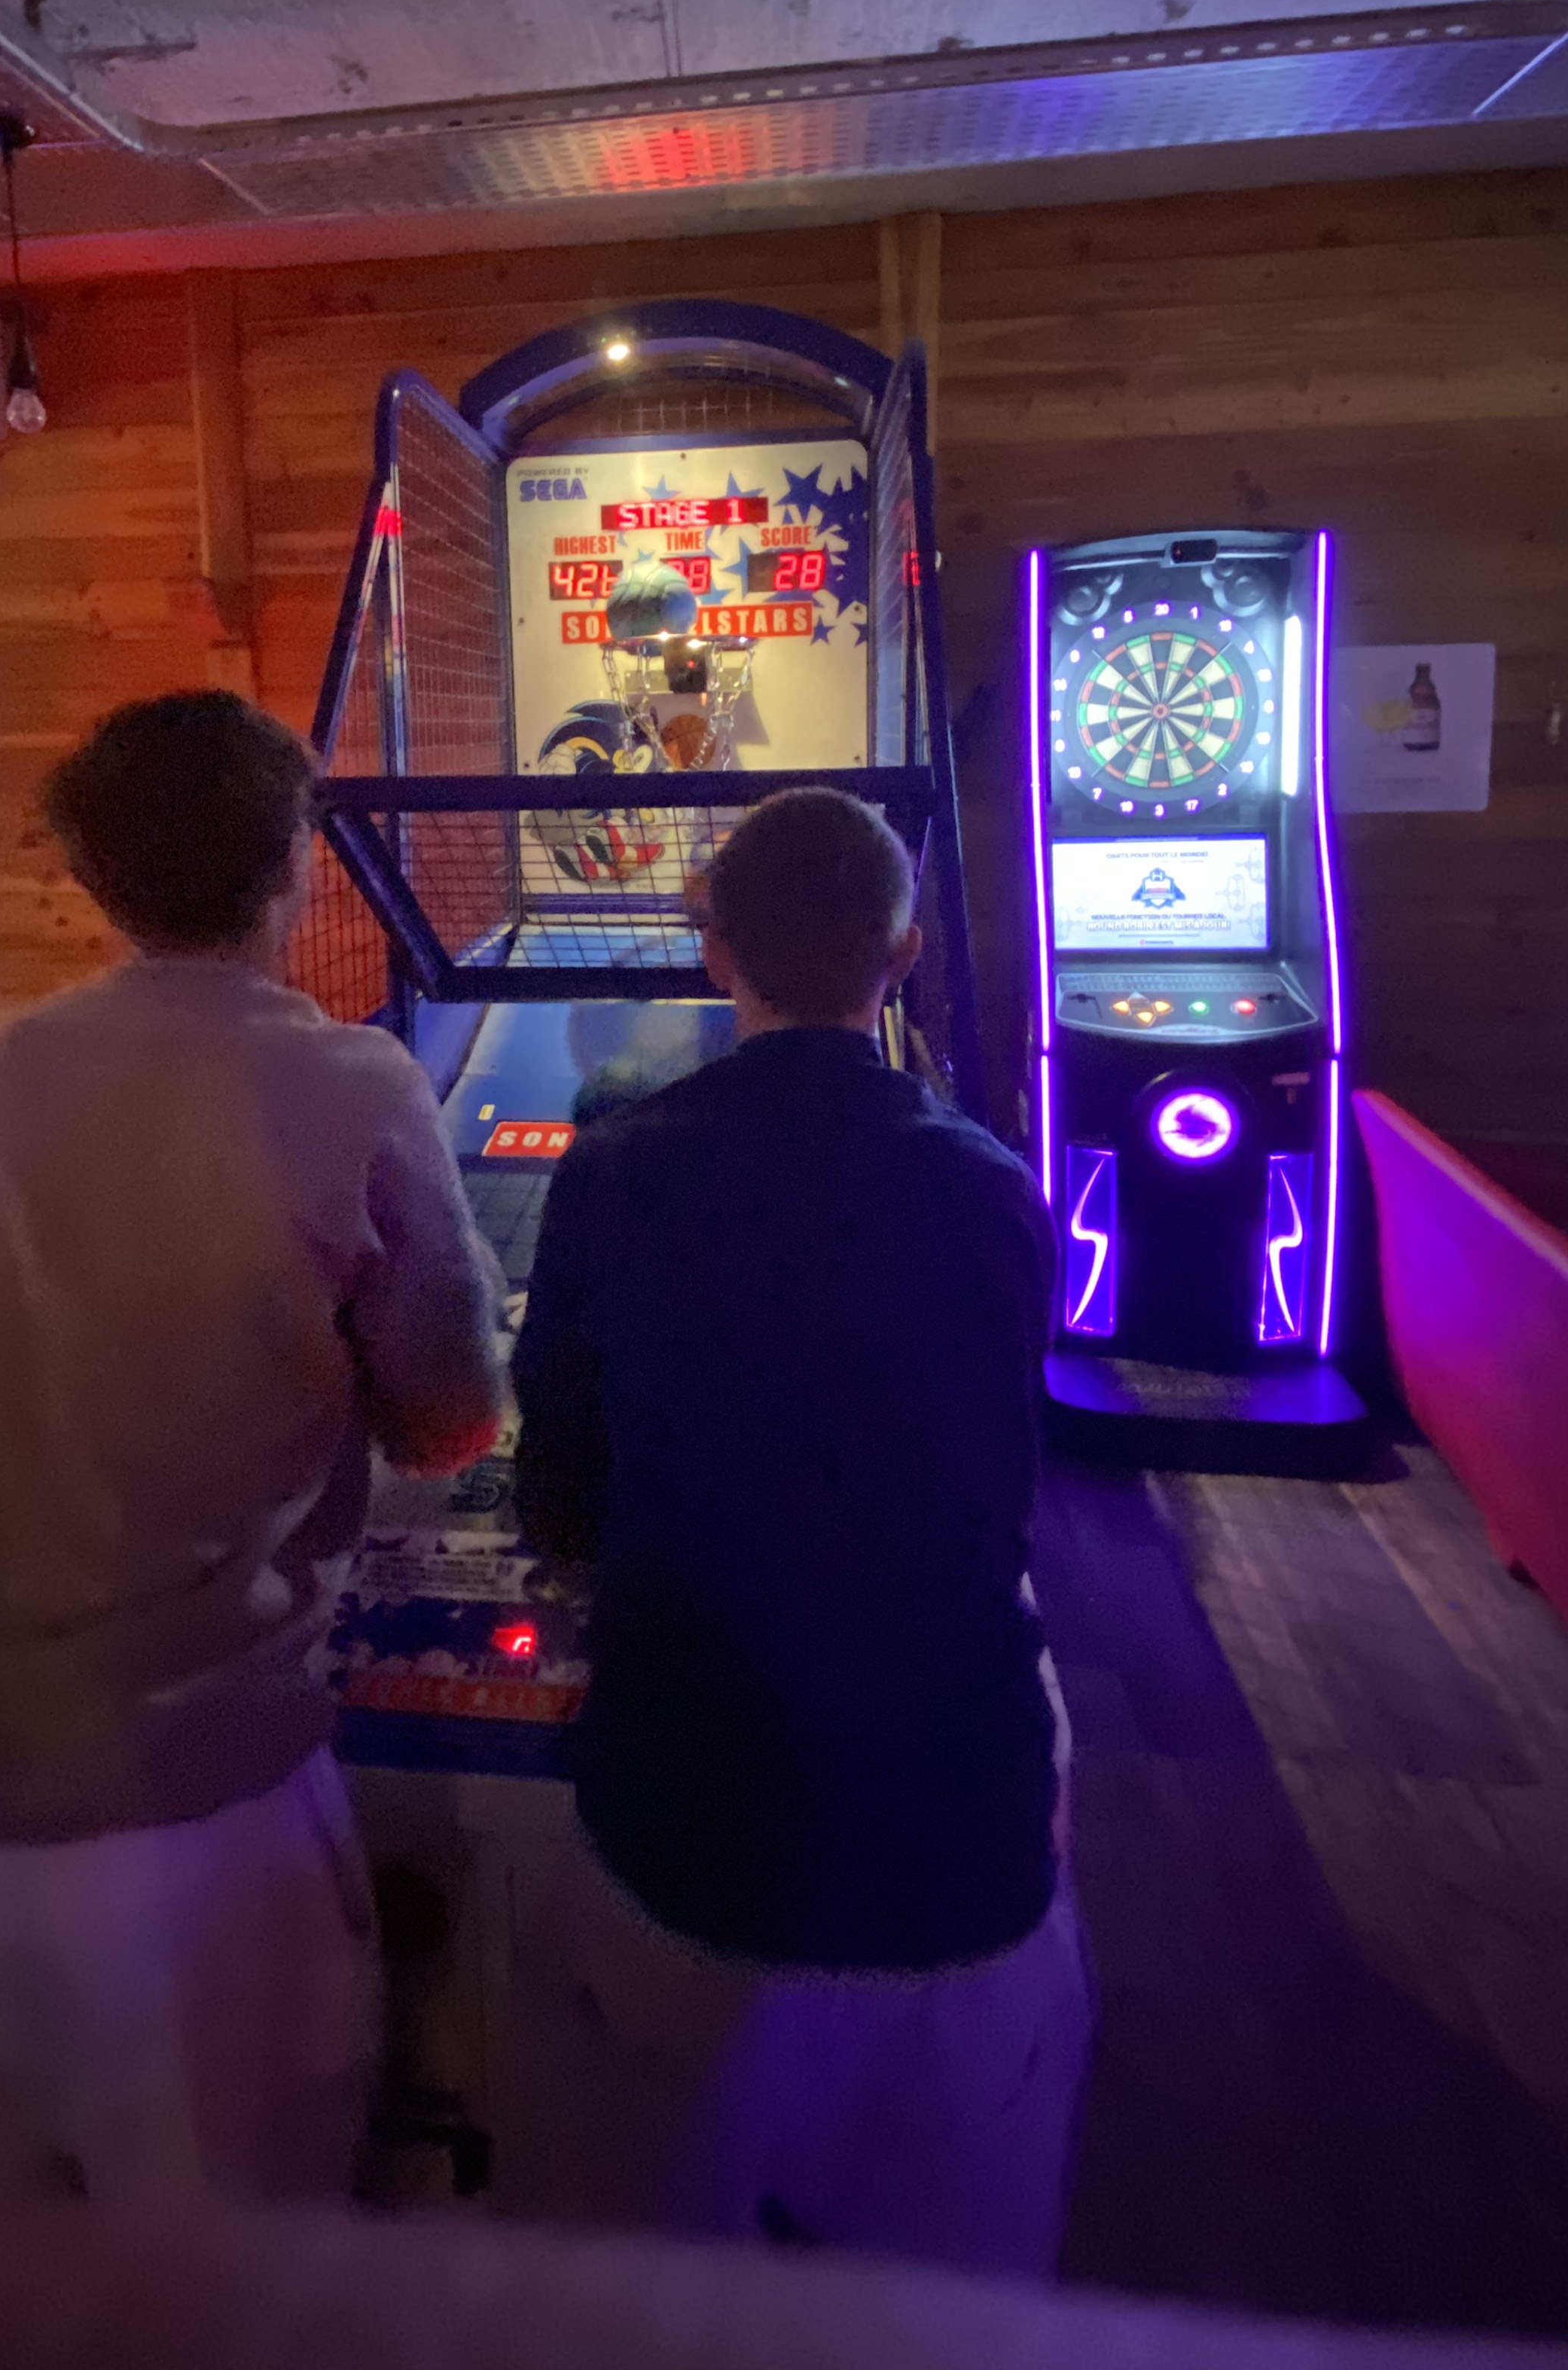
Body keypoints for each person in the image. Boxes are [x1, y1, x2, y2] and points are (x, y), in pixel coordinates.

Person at [0, 691, 504, 2276]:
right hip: (160, 1831)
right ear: (295, 862)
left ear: (95, 878)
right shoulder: (353, 1084)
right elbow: (452, 1422)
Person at [510, 785, 1086, 2277]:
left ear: (715, 949)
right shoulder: (998, 1193)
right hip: (958, 1857)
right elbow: (986, 1492)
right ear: (902, 951)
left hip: (682, 1841)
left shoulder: (612, 1171)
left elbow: (557, 1499)